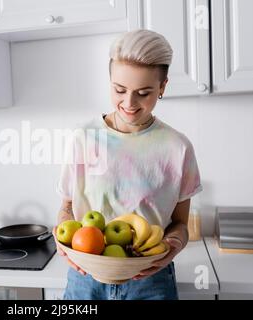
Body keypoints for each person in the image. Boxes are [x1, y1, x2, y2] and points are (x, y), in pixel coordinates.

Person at [54, 29, 203, 300]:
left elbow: (181, 224)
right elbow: (66, 208)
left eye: (144, 93)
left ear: (162, 87)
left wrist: (172, 245)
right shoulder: (84, 138)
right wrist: (61, 239)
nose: (129, 103)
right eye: (119, 90)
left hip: (150, 281)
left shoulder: (178, 147)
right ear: (110, 81)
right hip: (85, 280)